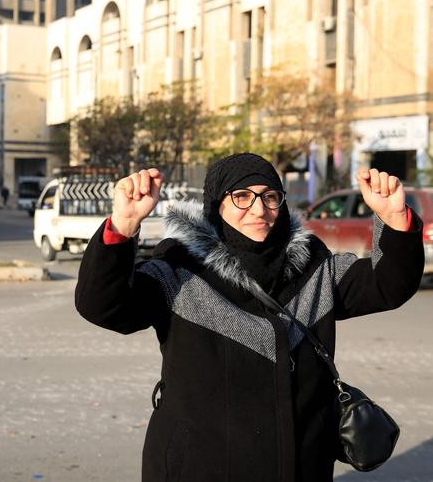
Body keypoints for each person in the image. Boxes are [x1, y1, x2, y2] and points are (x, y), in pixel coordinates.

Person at [75, 153, 424, 482]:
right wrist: (122, 226)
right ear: (216, 205)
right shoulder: (178, 271)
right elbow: (102, 305)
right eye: (242, 196)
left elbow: (388, 285)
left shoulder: (315, 268)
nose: (259, 209)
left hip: (300, 465)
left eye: (270, 196)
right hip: (199, 467)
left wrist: (394, 219)